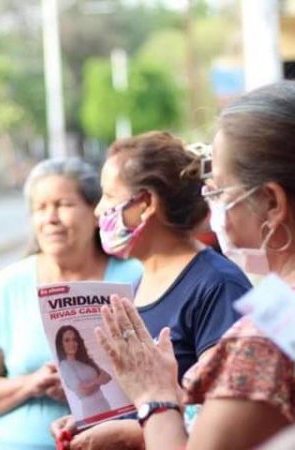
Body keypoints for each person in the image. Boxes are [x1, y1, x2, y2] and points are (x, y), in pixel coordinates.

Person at [95, 80, 295, 450]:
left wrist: (153, 396)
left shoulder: (267, 337)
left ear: (271, 202)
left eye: (219, 191)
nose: (214, 210)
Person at [51, 131, 252, 449]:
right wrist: (95, 419)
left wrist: (131, 435)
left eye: (109, 196)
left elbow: (222, 415)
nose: (98, 210)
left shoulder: (217, 287)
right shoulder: (135, 284)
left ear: (145, 203)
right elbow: (136, 396)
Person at [0, 157, 143, 450]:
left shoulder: (133, 276)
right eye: (40, 208)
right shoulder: (11, 283)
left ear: (94, 210)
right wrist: (32, 384)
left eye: (64, 204)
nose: (51, 218)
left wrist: (91, 384)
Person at [56, 325, 111, 418]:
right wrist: (98, 381)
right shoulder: (64, 366)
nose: (72, 343)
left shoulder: (86, 361)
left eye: (74, 339)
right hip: (91, 411)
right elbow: (83, 392)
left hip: (104, 405)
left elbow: (108, 377)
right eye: (67, 340)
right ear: (61, 344)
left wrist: (88, 385)